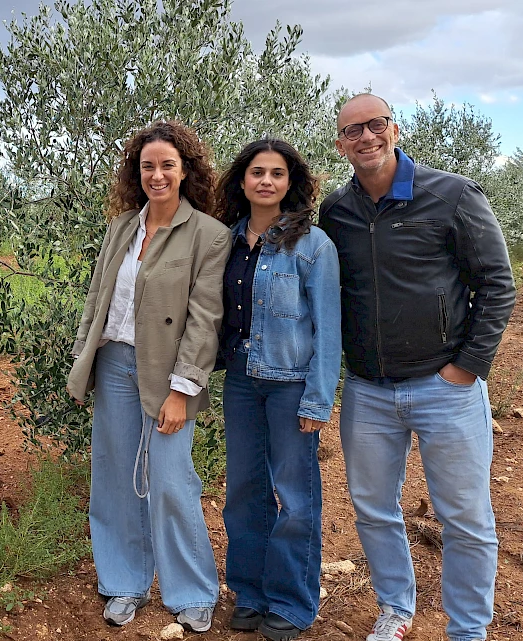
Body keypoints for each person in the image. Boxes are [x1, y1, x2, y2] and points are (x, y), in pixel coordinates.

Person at [319, 93, 516, 641]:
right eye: (352, 131)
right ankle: (395, 609)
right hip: (368, 390)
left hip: (444, 386)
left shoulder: (451, 194)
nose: (365, 137)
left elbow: (497, 284)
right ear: (340, 144)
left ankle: (468, 629)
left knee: (466, 519)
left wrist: (469, 366)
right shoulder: (336, 210)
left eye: (375, 125)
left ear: (395, 129)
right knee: (374, 510)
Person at [66, 121, 230, 633]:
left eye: (167, 165)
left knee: (170, 478)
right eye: (147, 166)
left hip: (169, 372)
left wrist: (184, 390)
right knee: (113, 477)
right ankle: (123, 583)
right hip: (114, 362)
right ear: (136, 173)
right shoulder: (121, 228)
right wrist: (82, 362)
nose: (156, 175)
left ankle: (193, 590)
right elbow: (97, 302)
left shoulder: (209, 233)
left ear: (185, 171)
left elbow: (206, 318)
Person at [211, 139, 341, 641]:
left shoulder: (314, 245)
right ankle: (250, 594)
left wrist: (318, 397)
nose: (266, 181)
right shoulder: (228, 240)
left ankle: (291, 602)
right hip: (242, 380)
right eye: (257, 172)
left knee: (295, 495)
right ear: (242, 181)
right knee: (244, 491)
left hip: (290, 385)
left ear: (291, 183)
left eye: (277, 174)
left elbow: (328, 327)